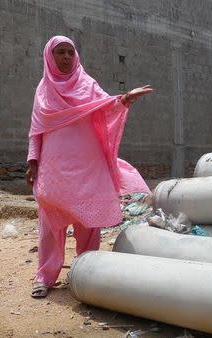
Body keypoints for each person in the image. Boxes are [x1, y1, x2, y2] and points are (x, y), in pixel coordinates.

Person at [26, 35, 153, 298]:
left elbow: (106, 106)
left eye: (70, 53)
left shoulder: (87, 84)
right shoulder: (43, 89)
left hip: (88, 167)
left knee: (89, 221)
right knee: (50, 224)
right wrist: (32, 161)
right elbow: (36, 131)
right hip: (54, 171)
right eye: (60, 52)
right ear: (50, 56)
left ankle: (87, 273)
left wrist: (125, 99)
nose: (65, 57)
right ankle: (45, 277)